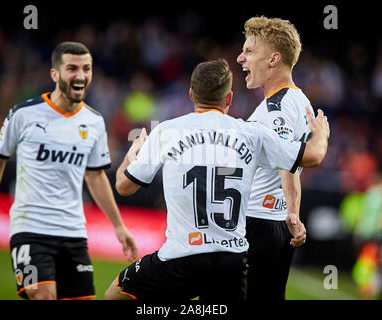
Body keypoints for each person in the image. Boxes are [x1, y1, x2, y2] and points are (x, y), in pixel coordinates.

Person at [104, 58, 329, 300]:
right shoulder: (252, 133)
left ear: (191, 94)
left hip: (182, 257)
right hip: (232, 262)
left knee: (115, 295)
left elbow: (123, 187)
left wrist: (130, 157)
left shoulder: (166, 131)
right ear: (229, 99)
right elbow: (312, 156)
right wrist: (321, 134)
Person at [0, 41, 138, 300]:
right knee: (43, 295)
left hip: (73, 233)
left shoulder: (94, 121)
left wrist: (119, 226)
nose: (81, 75)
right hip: (30, 231)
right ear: (55, 74)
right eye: (72, 68)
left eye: (86, 68)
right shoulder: (24, 115)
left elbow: (95, 175)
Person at [236, 16, 313, 300]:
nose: (241, 58)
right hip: (275, 222)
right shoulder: (300, 100)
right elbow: (290, 164)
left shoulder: (275, 108)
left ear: (273, 59)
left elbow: (285, 159)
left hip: (255, 223)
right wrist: (292, 213)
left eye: (250, 51)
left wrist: (291, 212)